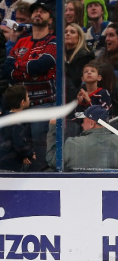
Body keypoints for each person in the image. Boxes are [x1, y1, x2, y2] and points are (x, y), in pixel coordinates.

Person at [3, 0, 56, 171]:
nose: (38, 13)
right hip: (20, 107)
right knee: (17, 148)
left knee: (40, 150)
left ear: (50, 19)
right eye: (35, 11)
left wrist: (20, 66)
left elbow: (42, 65)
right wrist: (29, 68)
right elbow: (7, 70)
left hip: (44, 104)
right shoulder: (20, 42)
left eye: (43, 11)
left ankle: (41, 187)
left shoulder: (54, 41)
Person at [46, 105, 118, 171]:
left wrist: (54, 129)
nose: (81, 125)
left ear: (92, 123)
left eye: (83, 121)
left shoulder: (73, 144)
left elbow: (53, 161)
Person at [0, 85, 35, 172]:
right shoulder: (17, 123)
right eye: (27, 96)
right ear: (23, 102)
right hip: (10, 166)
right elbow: (19, 145)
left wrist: (23, 156)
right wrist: (29, 154)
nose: (29, 98)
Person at [65, 23, 95, 103]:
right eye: (66, 32)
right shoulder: (59, 55)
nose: (68, 34)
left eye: (72, 32)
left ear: (79, 37)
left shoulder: (86, 56)